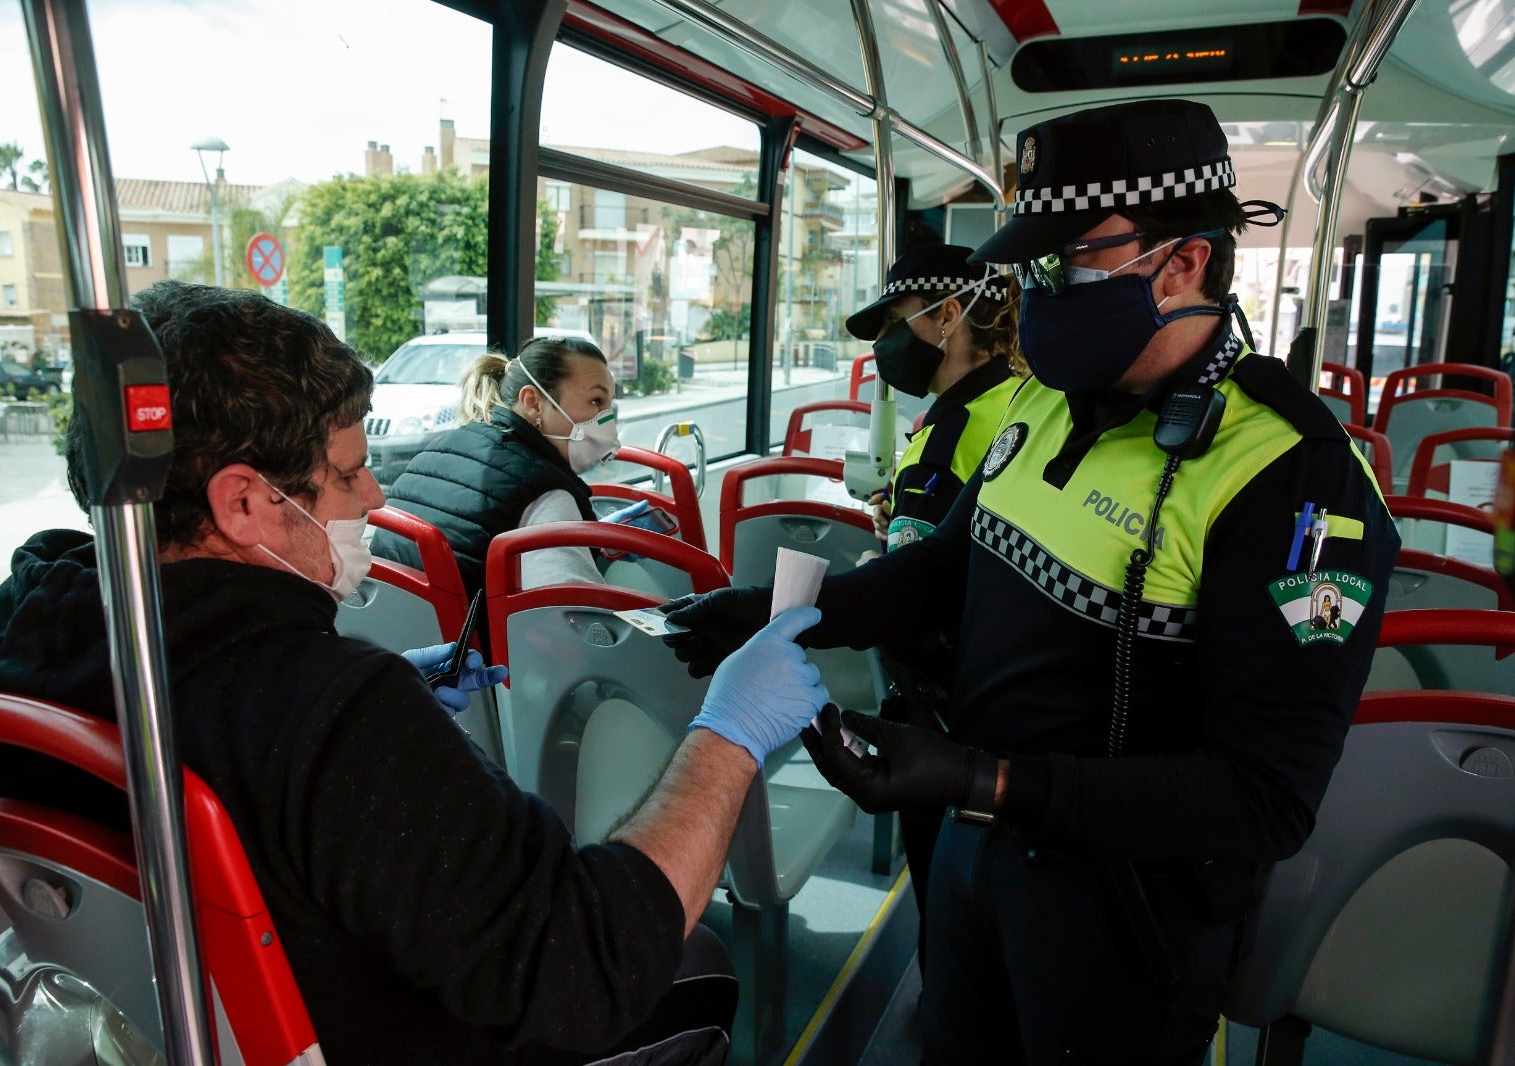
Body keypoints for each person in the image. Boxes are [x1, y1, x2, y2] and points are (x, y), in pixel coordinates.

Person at [664, 99, 1400, 1064]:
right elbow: (949, 564)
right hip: (979, 852)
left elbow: (1262, 796)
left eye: (1071, 260)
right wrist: (788, 611)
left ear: (1185, 260)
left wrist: (985, 779)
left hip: (1128, 912)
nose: (1040, 291)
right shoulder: (1044, 403)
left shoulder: (1293, 476)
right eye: (1032, 264)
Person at [0, 280, 831, 1066]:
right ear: (243, 502)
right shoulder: (335, 715)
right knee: (698, 963)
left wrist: (390, 703)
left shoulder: (14, 638)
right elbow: (590, 966)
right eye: (347, 473)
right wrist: (727, 733)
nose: (375, 496)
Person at [842, 241, 1024, 969]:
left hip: (943, 708)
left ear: (949, 315)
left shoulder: (953, 429)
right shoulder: (1021, 403)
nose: (887, 342)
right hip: (1001, 692)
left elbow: (918, 594)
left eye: (897, 321)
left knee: (946, 905)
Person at [371, 333, 653, 597]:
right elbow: (575, 616)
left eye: (608, 405)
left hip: (396, 628)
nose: (606, 419)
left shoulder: (439, 449)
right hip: (475, 635)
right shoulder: (546, 495)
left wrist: (588, 536)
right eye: (595, 401)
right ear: (533, 403)